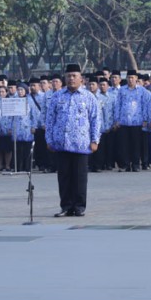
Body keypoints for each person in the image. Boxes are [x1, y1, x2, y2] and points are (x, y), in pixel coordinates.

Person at [45, 63, 101, 217]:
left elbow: (96, 120)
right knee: (64, 177)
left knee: (79, 177)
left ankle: (79, 206)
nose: (71, 79)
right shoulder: (57, 96)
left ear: (81, 78)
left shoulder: (88, 97)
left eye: (74, 76)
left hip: (81, 143)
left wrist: (95, 140)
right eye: (68, 76)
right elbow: (50, 120)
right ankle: (66, 206)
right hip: (61, 143)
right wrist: (49, 139)